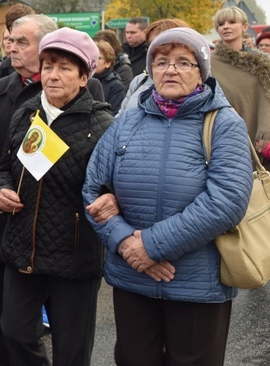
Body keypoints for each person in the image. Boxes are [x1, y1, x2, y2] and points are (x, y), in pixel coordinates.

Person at [83, 27, 253, 366]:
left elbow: (227, 200)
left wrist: (151, 245)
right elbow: (94, 188)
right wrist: (125, 242)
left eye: (183, 62)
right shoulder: (128, 120)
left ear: (201, 71)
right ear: (151, 70)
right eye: (161, 62)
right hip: (133, 277)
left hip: (196, 281)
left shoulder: (223, 123)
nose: (170, 69)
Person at [0, 27, 114, 366]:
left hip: (74, 252)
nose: (53, 75)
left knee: (71, 350)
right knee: (14, 331)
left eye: (64, 68)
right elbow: (5, 165)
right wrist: (0, 190)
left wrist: (111, 198)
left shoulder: (101, 123)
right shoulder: (28, 112)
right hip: (23, 246)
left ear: (83, 77)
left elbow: (113, 186)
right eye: (48, 66)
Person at [210, 6, 270, 161]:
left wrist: (266, 129)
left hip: (258, 127)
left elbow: (266, 97)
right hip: (223, 130)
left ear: (244, 27)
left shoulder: (263, 62)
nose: (226, 27)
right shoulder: (210, 63)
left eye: (232, 22)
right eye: (221, 24)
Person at [118, 19, 190, 115]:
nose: (154, 49)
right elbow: (120, 118)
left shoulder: (197, 85)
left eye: (162, 44)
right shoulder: (140, 80)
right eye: (151, 44)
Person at [93, 40, 125, 113]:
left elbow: (115, 112)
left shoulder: (115, 85)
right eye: (93, 57)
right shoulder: (84, 80)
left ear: (108, 63)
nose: (94, 61)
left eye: (99, 58)